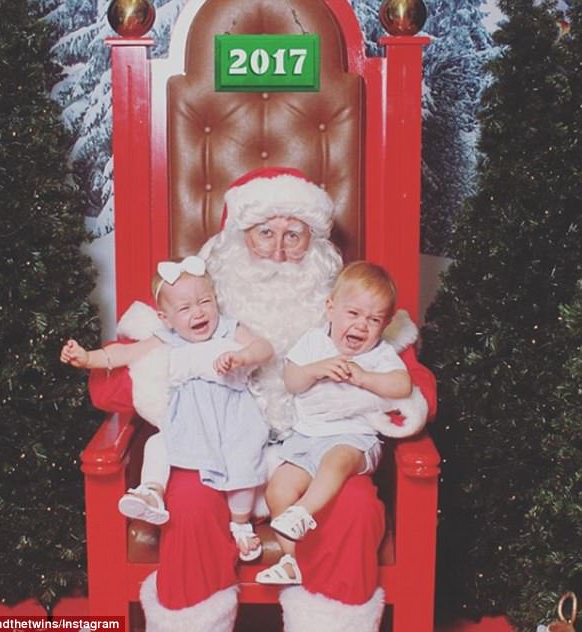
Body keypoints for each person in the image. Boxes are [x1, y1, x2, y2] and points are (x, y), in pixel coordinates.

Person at [88, 167, 436, 632]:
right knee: (189, 508)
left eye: (294, 235)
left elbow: (415, 387)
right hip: (215, 447)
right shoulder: (193, 305)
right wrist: (157, 376)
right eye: (264, 233)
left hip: (319, 447)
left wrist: (389, 398)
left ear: (317, 245)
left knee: (352, 508)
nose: (278, 251)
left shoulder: (356, 309)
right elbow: (113, 385)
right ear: (236, 238)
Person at [62, 256, 272, 560]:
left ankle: (241, 526)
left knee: (244, 466)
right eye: (185, 309)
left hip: (234, 421)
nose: (198, 312)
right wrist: (87, 358)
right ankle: (151, 492)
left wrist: (244, 357)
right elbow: (123, 354)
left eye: (205, 301)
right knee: (159, 444)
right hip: (189, 420)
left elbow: (264, 347)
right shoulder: (166, 339)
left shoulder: (228, 330)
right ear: (165, 318)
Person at [256, 261, 413, 585]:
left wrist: (366, 377)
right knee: (278, 489)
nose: (361, 326)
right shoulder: (314, 343)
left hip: (353, 439)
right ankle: (290, 559)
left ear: (384, 326)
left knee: (335, 462)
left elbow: (403, 386)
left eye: (373, 320)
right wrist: (317, 368)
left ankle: (303, 512)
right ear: (331, 308)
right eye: (353, 314)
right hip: (304, 438)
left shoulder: (378, 355)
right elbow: (292, 380)